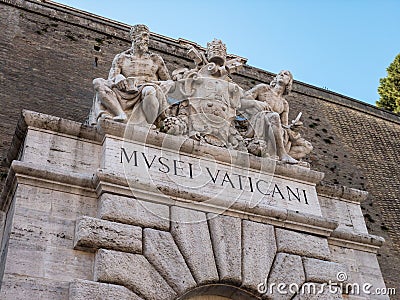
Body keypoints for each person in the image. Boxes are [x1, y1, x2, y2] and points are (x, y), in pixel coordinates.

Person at [90, 24, 171, 126]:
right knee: (97, 82)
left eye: (148, 37)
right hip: (126, 91)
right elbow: (111, 80)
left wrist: (158, 84)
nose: (147, 40)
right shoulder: (121, 58)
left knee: (150, 91)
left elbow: (170, 82)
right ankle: (120, 114)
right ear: (133, 37)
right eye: (144, 36)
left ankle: (148, 124)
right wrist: (118, 78)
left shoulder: (155, 59)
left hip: (147, 89)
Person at [241, 70, 312, 163]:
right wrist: (257, 103)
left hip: (274, 128)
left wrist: (293, 127)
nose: (282, 74)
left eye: (286, 74)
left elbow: (284, 126)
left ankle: (280, 156)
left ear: (289, 81)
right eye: (280, 73)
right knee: (274, 116)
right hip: (257, 123)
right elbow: (241, 101)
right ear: (276, 78)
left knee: (307, 146)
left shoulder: (284, 103)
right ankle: (282, 154)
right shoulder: (262, 89)